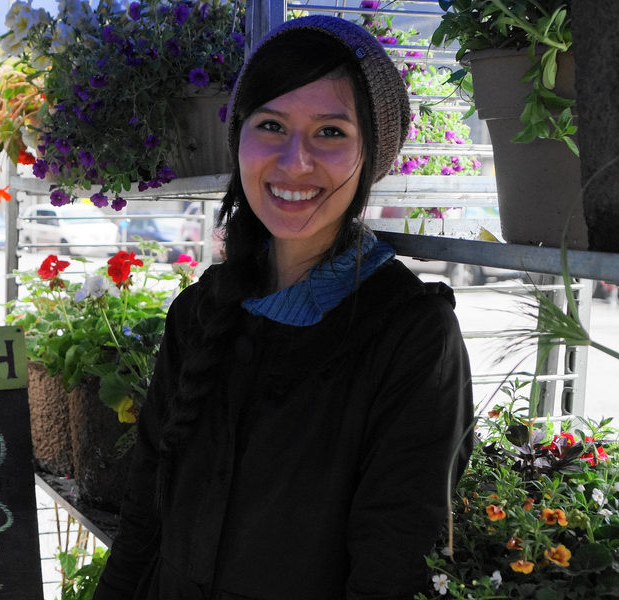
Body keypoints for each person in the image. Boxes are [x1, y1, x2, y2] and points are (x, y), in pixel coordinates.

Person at [93, 16, 473, 600]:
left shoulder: (411, 332)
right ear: (239, 136)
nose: (295, 162)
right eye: (271, 125)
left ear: (371, 155)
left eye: (330, 132)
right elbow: (144, 517)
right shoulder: (198, 311)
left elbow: (395, 562)